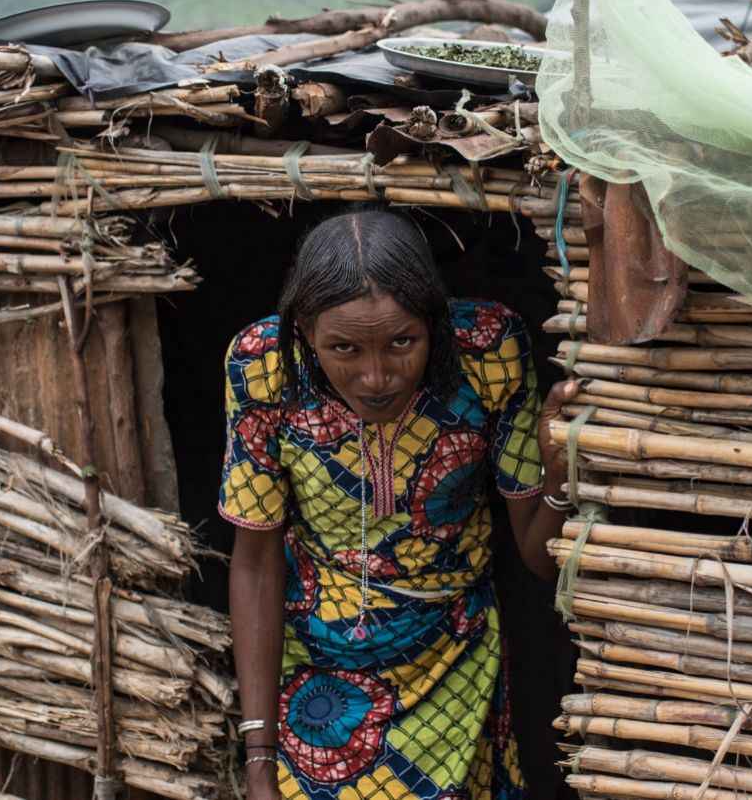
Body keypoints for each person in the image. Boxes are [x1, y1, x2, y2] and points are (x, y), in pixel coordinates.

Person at [222, 209, 579, 800]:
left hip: (453, 666)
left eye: (402, 342)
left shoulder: (488, 352)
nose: (376, 376)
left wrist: (559, 472)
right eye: (344, 349)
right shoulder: (263, 367)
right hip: (315, 674)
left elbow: (539, 560)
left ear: (435, 324)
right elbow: (256, 560)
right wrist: (260, 757)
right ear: (307, 331)